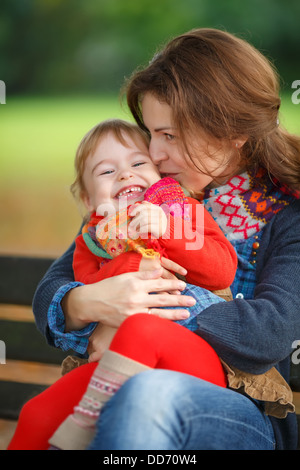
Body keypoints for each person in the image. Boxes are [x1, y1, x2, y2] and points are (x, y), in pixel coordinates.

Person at [11, 28, 300, 450]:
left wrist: (146, 309)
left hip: (238, 411)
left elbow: (266, 333)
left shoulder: (286, 214)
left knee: (147, 395)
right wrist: (89, 302)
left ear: (232, 132)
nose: (156, 153)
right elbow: (51, 294)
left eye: (171, 134)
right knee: (49, 412)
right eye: (151, 132)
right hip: (124, 380)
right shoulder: (144, 191)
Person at [8, 118, 237, 450]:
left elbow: (222, 271)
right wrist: (124, 266)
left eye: (138, 163)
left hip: (189, 362)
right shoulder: (92, 240)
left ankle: (85, 420)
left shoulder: (184, 212)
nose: (126, 175)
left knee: (142, 330)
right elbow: (91, 287)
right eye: (106, 171)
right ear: (88, 201)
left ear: (160, 176)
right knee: (36, 414)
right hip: (119, 365)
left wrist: (168, 230)